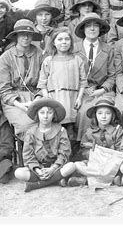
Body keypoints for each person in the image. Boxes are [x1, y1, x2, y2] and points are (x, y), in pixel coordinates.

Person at [38, 27, 87, 159]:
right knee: (57, 130)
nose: (63, 42)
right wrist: (47, 97)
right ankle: (56, 158)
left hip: (72, 98)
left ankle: (72, 159)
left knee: (71, 131)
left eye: (67, 39)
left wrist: (80, 98)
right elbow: (42, 83)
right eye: (60, 39)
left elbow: (83, 81)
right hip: (56, 99)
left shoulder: (77, 59)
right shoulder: (49, 61)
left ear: (71, 42)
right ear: (54, 42)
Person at [14, 98, 76, 192]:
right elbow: (28, 155)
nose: (46, 116)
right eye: (42, 113)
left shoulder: (61, 130)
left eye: (49, 113)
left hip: (56, 167)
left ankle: (37, 185)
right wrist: (38, 170)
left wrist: (52, 169)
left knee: (71, 166)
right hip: (38, 169)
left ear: (54, 114)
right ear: (37, 114)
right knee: (18, 173)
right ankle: (56, 180)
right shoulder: (31, 132)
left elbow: (64, 152)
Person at [73, 13, 116, 142]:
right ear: (83, 29)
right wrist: (83, 88)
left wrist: (102, 90)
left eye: (95, 26)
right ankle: (83, 144)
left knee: (106, 109)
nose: (92, 29)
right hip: (81, 91)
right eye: (88, 26)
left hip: (102, 91)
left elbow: (112, 75)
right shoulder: (74, 49)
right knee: (83, 112)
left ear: (100, 29)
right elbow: (71, 74)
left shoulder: (108, 49)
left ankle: (107, 143)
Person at [0, 19, 43, 140]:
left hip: (36, 96)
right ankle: (28, 157)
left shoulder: (39, 54)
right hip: (14, 100)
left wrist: (37, 99)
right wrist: (19, 105)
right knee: (26, 125)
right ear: (16, 36)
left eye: (29, 34)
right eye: (22, 34)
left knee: (48, 121)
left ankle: (46, 157)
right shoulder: (6, 57)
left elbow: (45, 81)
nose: (26, 37)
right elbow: (3, 90)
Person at [71, 95, 123, 187]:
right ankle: (110, 181)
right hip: (95, 163)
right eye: (100, 113)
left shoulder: (118, 131)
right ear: (95, 115)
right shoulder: (89, 132)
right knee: (78, 165)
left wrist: (107, 154)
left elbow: (121, 150)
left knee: (122, 167)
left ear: (113, 115)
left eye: (107, 113)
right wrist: (93, 153)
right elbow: (84, 151)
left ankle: (85, 181)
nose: (103, 116)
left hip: (111, 163)